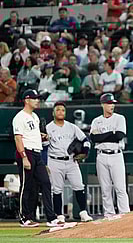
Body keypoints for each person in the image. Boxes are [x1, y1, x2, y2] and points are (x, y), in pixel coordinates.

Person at [12, 89, 63, 227]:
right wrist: (23, 157)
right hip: (26, 152)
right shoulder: (19, 117)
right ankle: (24, 218)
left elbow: (29, 134)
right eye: (34, 98)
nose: (37, 100)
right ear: (27, 100)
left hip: (37, 153)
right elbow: (18, 138)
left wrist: (41, 135)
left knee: (46, 182)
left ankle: (51, 218)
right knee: (26, 186)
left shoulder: (34, 116)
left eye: (37, 98)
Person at [45, 102, 93, 222]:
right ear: (53, 112)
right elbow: (44, 147)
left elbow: (86, 139)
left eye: (62, 110)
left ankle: (83, 213)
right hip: (55, 161)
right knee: (57, 189)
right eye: (58, 110)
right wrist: (45, 163)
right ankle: (59, 215)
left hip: (71, 160)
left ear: (65, 113)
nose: (60, 112)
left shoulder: (71, 127)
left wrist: (85, 152)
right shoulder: (48, 128)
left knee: (79, 186)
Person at [90, 93, 130, 218]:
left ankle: (125, 213)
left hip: (116, 155)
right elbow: (94, 138)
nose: (111, 105)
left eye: (113, 103)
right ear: (102, 104)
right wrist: (110, 134)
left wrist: (103, 136)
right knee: (105, 189)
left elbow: (119, 135)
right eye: (108, 103)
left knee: (120, 187)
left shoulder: (120, 118)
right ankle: (109, 214)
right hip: (101, 156)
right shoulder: (96, 121)